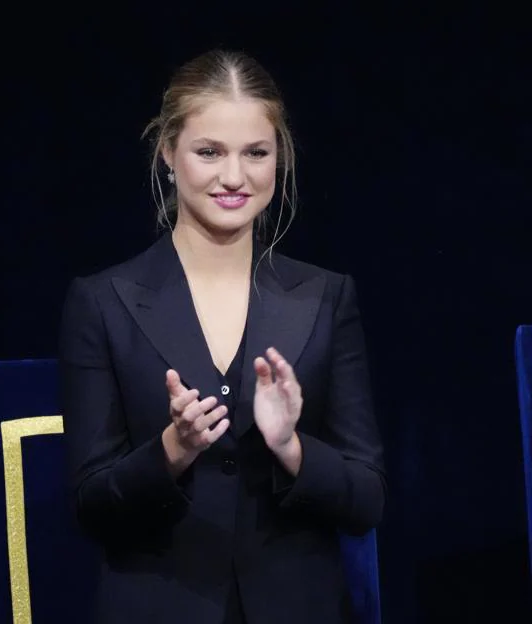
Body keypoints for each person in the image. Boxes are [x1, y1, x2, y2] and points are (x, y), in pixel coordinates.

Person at [59, 48, 386, 624]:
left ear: (278, 158)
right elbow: (92, 505)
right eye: (209, 152)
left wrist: (291, 447)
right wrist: (174, 449)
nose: (234, 177)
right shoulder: (102, 300)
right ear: (168, 154)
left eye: (255, 153)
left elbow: (367, 499)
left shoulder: (326, 297)